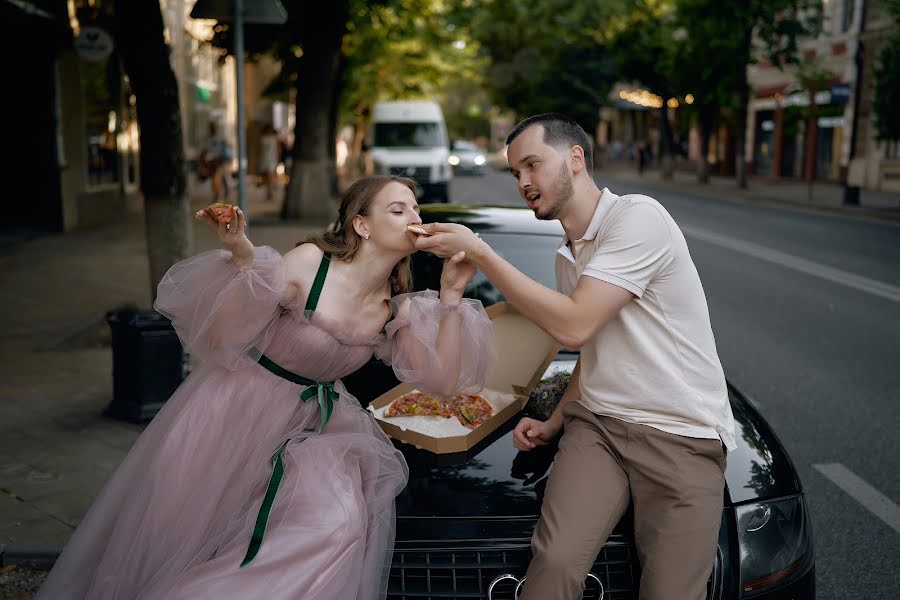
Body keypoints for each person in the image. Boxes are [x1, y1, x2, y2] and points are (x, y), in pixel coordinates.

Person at [35, 175, 495, 600]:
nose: (414, 218)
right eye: (398, 209)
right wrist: (240, 254)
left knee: (338, 525)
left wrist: (452, 299)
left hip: (319, 431)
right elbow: (225, 335)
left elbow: (443, 381)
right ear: (362, 224)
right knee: (195, 534)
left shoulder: (397, 310)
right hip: (237, 411)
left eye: (416, 209)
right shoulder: (311, 263)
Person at [414, 113, 736, 600]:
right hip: (599, 428)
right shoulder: (569, 254)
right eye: (515, 172)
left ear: (575, 159)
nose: (524, 182)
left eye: (532, 165)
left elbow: (574, 325)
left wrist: (479, 251)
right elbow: (595, 349)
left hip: (680, 434)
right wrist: (556, 420)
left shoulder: (638, 217)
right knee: (555, 564)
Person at [200, 121, 232, 202]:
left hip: (219, 161)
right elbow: (204, 151)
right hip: (212, 162)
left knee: (217, 178)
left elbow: (226, 149)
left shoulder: (220, 138)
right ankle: (218, 194)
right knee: (216, 178)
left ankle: (217, 195)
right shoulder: (208, 139)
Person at [258, 124, 279, 201]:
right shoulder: (267, 138)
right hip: (268, 159)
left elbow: (277, 150)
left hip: (269, 159)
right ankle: (269, 191)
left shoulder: (269, 139)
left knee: (269, 177)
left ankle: (269, 192)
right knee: (267, 177)